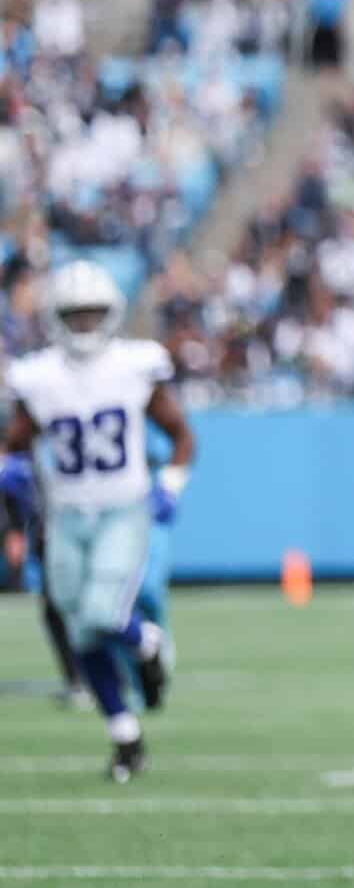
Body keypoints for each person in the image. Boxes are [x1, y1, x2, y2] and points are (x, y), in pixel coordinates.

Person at [4, 260, 195, 781]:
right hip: (66, 515)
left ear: (111, 315)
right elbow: (14, 443)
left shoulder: (133, 366)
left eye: (93, 314)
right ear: (56, 318)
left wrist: (170, 484)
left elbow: (181, 435)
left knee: (102, 613)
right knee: (80, 631)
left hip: (122, 509)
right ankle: (126, 737)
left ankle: (148, 643)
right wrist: (12, 468)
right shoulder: (38, 376)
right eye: (75, 315)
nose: (85, 325)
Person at [1, 450, 89, 707]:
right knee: (57, 610)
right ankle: (79, 678)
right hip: (49, 536)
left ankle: (88, 677)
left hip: (66, 534)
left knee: (71, 608)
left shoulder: (21, 463)